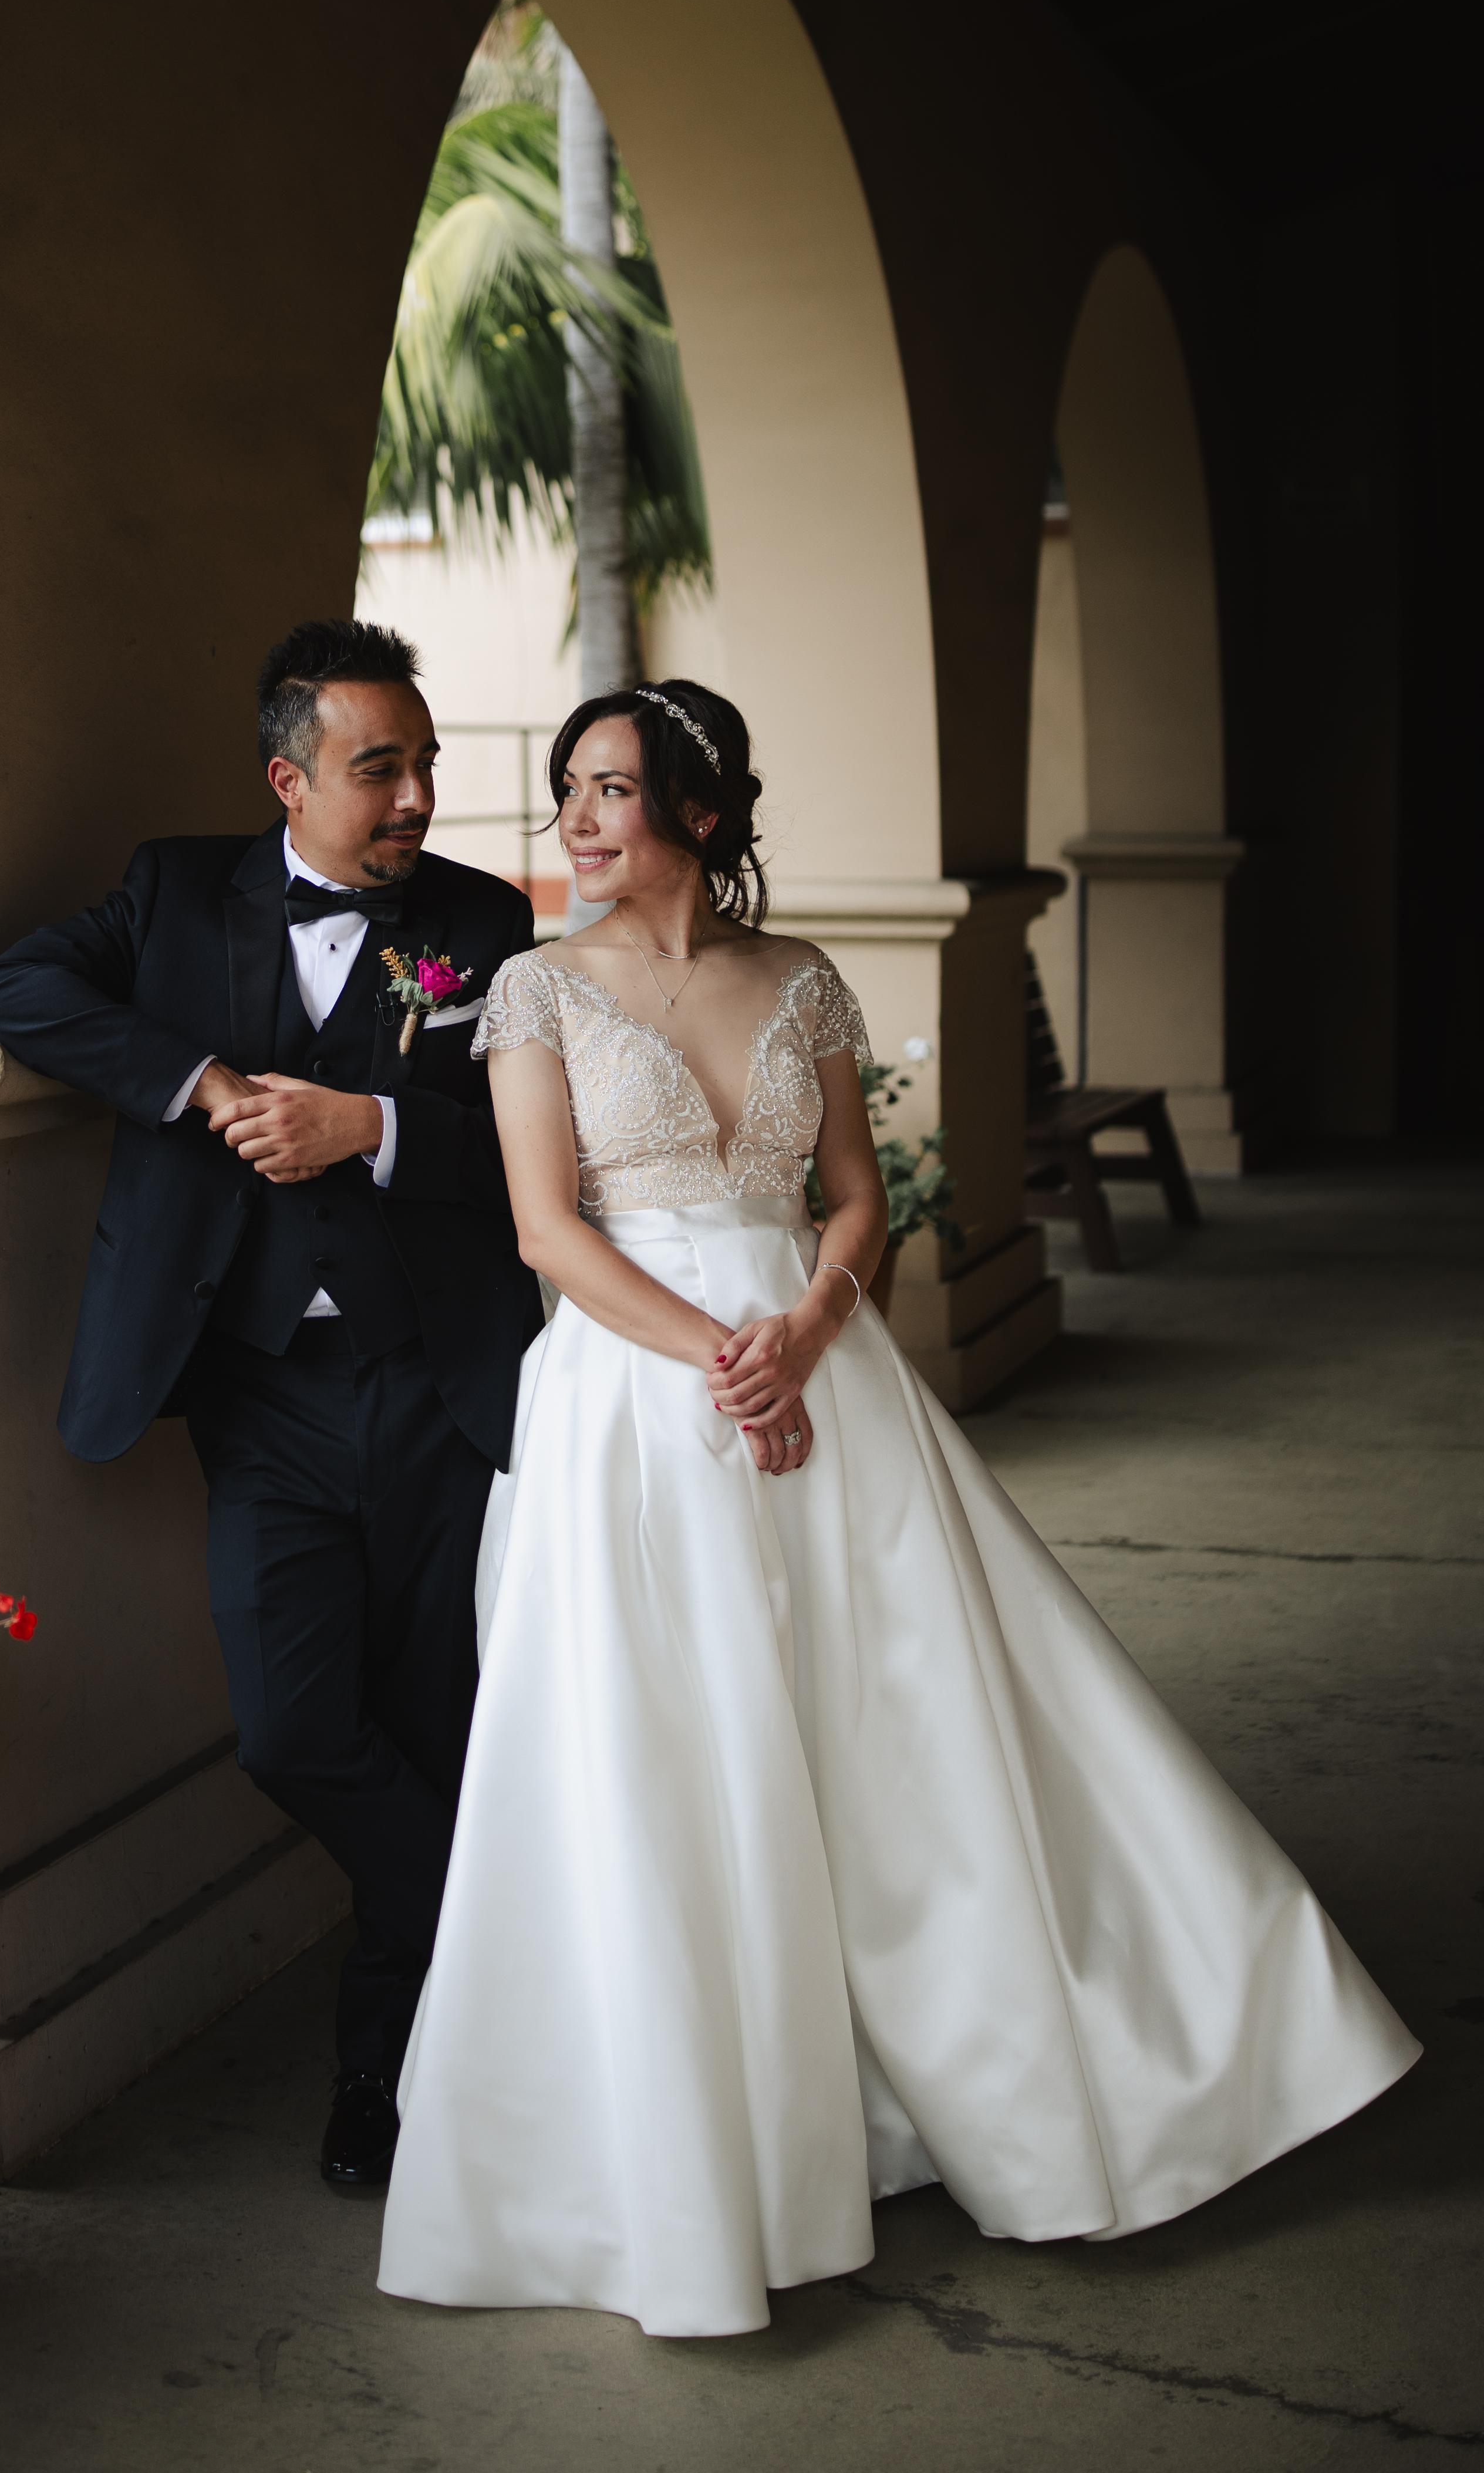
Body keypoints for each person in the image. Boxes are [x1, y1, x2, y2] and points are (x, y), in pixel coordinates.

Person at [378, 678, 1418, 2339]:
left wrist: (804, 1330)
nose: (576, 819)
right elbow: (546, 1232)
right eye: (569, 788)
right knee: (676, 1744)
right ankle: (703, 2141)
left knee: (895, 1726)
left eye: (612, 790)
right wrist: (729, 1358)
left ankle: (978, 2070)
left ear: (702, 812)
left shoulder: (801, 978)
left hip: (824, 1373)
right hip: (636, 1401)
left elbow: (853, 1198)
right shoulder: (536, 989)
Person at [0, 618, 541, 2191]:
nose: (417, 797)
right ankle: (512, 1930)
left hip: (438, 1388)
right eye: (381, 769)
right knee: (295, 1731)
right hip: (261, 1398)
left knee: (432, 1720)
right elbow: (13, 988)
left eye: (425, 764)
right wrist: (206, 1084)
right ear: (289, 780)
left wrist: (374, 1126)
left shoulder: (483, 922)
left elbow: (536, 1146)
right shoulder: (172, 893)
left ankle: (386, 2075)